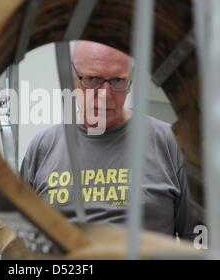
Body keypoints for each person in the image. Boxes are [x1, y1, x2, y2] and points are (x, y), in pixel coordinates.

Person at [20, 40, 197, 240]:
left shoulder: (170, 145)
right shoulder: (42, 148)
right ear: (70, 78)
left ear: (131, 80)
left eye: (117, 81)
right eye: (93, 79)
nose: (105, 96)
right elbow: (23, 240)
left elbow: (198, 240)